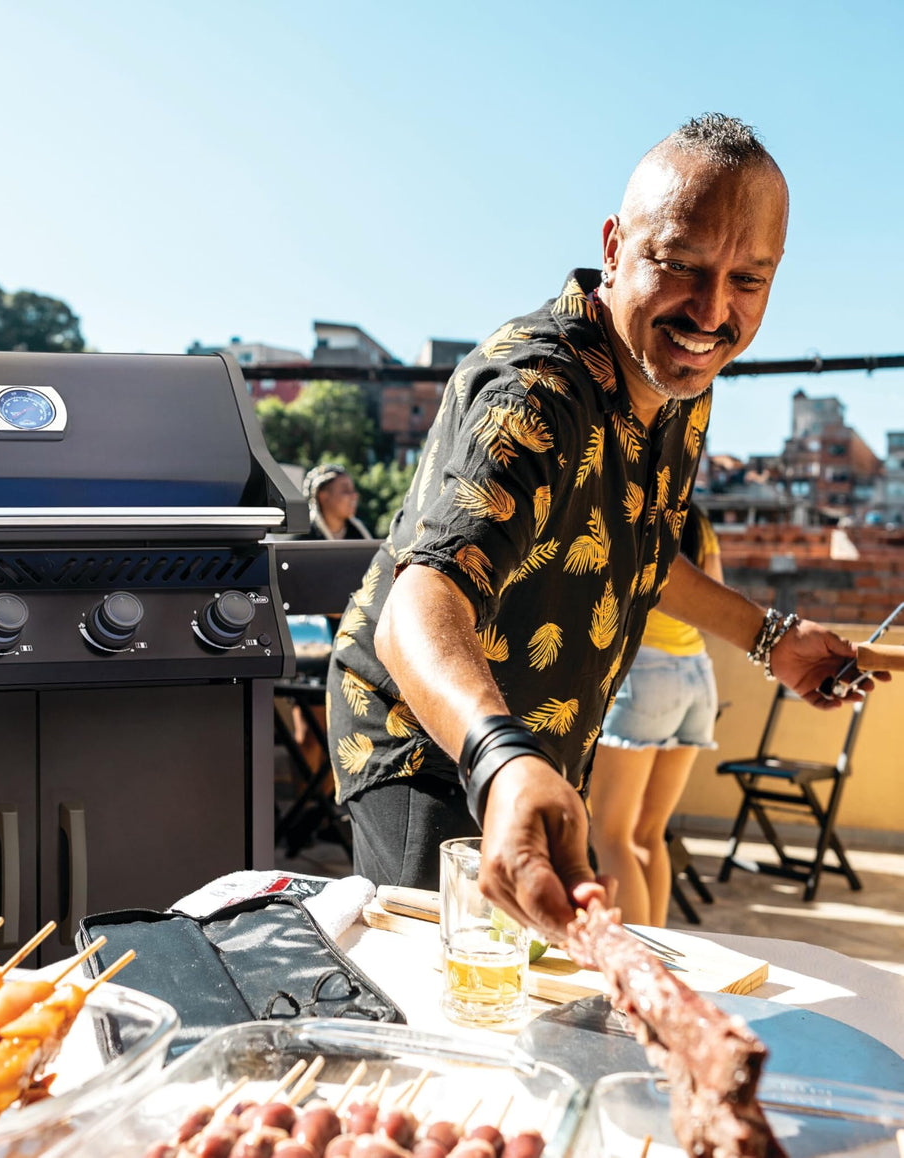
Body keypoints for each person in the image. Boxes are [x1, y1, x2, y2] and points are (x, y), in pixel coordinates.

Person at [326, 113, 878, 944]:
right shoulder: (535, 393)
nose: (711, 310)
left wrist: (771, 639)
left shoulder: (680, 381)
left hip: (530, 745)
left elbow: (643, 552)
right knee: (447, 1000)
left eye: (748, 280)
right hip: (434, 742)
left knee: (526, 988)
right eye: (680, 265)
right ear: (615, 247)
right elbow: (422, 596)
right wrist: (501, 762)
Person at [588, 504, 723, 927]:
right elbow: (714, 596)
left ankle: (640, 962)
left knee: (610, 835)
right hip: (697, 673)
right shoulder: (698, 520)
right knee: (649, 833)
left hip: (643, 671)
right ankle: (661, 950)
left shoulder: (628, 505)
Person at [301, 463, 372, 540]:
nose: (354, 496)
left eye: (353, 490)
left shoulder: (362, 535)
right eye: (346, 490)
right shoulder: (302, 541)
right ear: (323, 496)